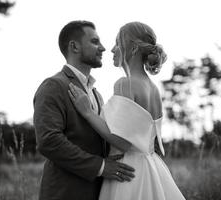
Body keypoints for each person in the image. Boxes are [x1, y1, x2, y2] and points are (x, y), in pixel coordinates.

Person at [68, 21, 186, 200]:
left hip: (128, 171)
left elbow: (122, 142)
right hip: (152, 167)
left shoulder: (126, 84)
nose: (112, 49)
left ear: (132, 49)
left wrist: (87, 112)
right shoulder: (153, 88)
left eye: (118, 43)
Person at [33, 20, 135, 200]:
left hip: (97, 192)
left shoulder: (97, 94)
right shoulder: (53, 86)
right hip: (65, 193)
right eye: (95, 41)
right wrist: (101, 167)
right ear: (74, 46)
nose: (103, 48)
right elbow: (48, 141)